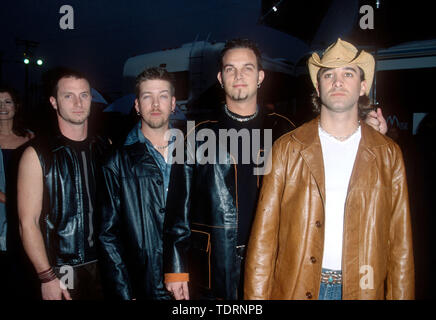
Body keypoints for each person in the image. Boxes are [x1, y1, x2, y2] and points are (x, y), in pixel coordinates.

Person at [163, 38, 386, 300]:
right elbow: (178, 209)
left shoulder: (286, 131)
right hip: (212, 264)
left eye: (247, 68)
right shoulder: (196, 135)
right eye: (230, 69)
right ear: (221, 78)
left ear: (260, 76)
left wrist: (364, 131)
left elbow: (334, 142)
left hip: (272, 259)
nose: (238, 76)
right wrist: (176, 270)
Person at [244, 38, 414, 300]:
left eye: (348, 73)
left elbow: (400, 245)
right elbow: (263, 240)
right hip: (296, 287)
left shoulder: (388, 154)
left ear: (363, 86)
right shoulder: (287, 149)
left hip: (362, 290)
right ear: (317, 85)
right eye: (329, 75)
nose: (338, 81)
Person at [17, 69, 110, 300]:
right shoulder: (37, 154)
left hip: (106, 263)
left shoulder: (105, 148)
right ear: (54, 102)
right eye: (68, 96)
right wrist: (47, 276)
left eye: (84, 95)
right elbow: (27, 223)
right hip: (62, 267)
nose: (78, 102)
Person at [98, 67, 177, 300]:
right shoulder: (115, 161)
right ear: (136, 105)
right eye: (147, 97)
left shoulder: (194, 154)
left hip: (188, 284)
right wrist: (124, 292)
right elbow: (107, 235)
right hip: (142, 286)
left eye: (162, 96)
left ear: (173, 103)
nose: (155, 104)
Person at [0, 86, 34, 299]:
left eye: (7, 101)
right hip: (3, 213)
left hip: (25, 216)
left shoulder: (30, 138)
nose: (2, 107)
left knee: (22, 274)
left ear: (16, 106)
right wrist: (11, 200)